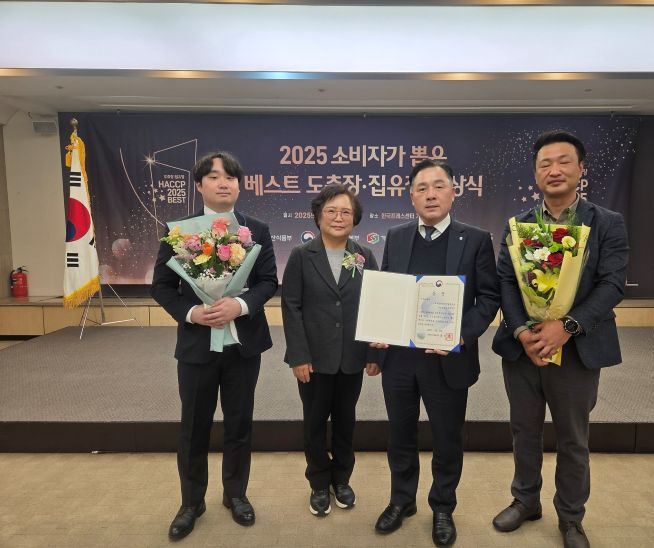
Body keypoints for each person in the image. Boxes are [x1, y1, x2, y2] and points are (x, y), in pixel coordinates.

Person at [491, 131, 630, 548]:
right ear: (536, 174)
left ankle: (571, 517)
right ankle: (525, 501)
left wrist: (565, 327)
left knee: (572, 438)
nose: (554, 170)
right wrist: (522, 331)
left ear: (581, 168)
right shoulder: (518, 225)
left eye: (564, 161)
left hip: (577, 349)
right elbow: (506, 282)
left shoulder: (606, 222)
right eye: (545, 164)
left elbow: (612, 284)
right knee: (524, 431)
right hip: (524, 351)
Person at [151, 151, 278, 541]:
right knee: (194, 427)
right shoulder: (178, 232)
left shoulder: (256, 229)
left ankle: (235, 494)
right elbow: (162, 287)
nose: (224, 183)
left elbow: (268, 281)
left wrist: (240, 305)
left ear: (239, 185)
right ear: (199, 184)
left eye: (231, 177)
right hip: (197, 346)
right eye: (215, 176)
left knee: (239, 424)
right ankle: (191, 502)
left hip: (243, 345)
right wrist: (192, 313)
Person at [372, 159, 500, 546]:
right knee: (400, 434)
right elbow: (387, 293)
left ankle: (443, 506)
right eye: (422, 188)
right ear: (411, 196)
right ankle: (401, 500)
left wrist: (459, 335)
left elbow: (489, 297)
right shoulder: (396, 236)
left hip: (448, 359)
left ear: (453, 192)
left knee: (447, 438)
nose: (431, 194)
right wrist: (377, 339)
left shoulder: (475, 239)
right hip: (400, 360)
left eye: (439, 186)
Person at [281, 184, 380, 517]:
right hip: (313, 360)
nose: (339, 218)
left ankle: (342, 480)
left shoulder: (365, 255)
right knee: (313, 424)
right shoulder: (301, 255)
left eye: (346, 212)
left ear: (355, 218)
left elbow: (375, 305)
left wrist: (374, 354)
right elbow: (291, 307)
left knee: (345, 423)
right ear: (318, 216)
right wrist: (298, 356)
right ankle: (319, 483)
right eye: (331, 211)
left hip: (352, 357)